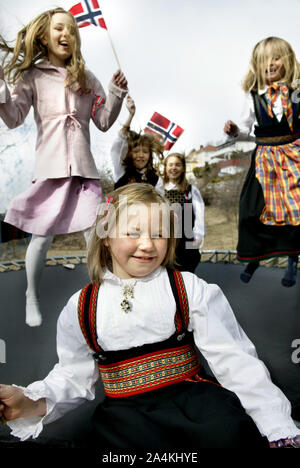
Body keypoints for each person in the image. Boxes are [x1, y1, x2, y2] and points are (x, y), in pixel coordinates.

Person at [0, 183, 299, 449]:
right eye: (133, 232)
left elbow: (235, 360)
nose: (147, 244)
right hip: (125, 424)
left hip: (199, 409)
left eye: (159, 234)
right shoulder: (81, 307)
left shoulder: (187, 288)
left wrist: (277, 427)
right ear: (105, 236)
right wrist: (27, 402)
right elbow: (73, 377)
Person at [0, 7, 128, 327]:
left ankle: (106, 292)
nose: (66, 35)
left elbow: (103, 121)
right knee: (40, 238)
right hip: (51, 168)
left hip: (84, 171)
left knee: (95, 236)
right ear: (44, 36)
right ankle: (32, 294)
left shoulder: (87, 79)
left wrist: (115, 94)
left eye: (71, 30)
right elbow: (14, 118)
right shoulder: (34, 76)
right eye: (59, 28)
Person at [224, 36, 300, 286]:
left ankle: (292, 258)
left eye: (276, 58)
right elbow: (246, 128)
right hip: (265, 156)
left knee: (293, 210)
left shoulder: (297, 90)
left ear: (287, 61)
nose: (270, 64)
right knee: (252, 209)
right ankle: (255, 257)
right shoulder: (253, 94)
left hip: (292, 153)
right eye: (264, 60)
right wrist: (234, 130)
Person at [110, 94, 164, 194]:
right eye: (136, 151)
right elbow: (119, 143)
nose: (140, 155)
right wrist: (130, 115)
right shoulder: (121, 171)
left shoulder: (156, 180)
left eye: (145, 152)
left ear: (150, 156)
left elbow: (160, 205)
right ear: (129, 154)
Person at [163, 152, 205, 273]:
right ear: (165, 168)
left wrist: (198, 236)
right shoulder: (159, 189)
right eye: (170, 164)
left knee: (187, 270)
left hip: (186, 238)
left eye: (177, 165)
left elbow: (199, 213)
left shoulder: (191, 189)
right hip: (166, 237)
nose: (173, 168)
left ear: (183, 168)